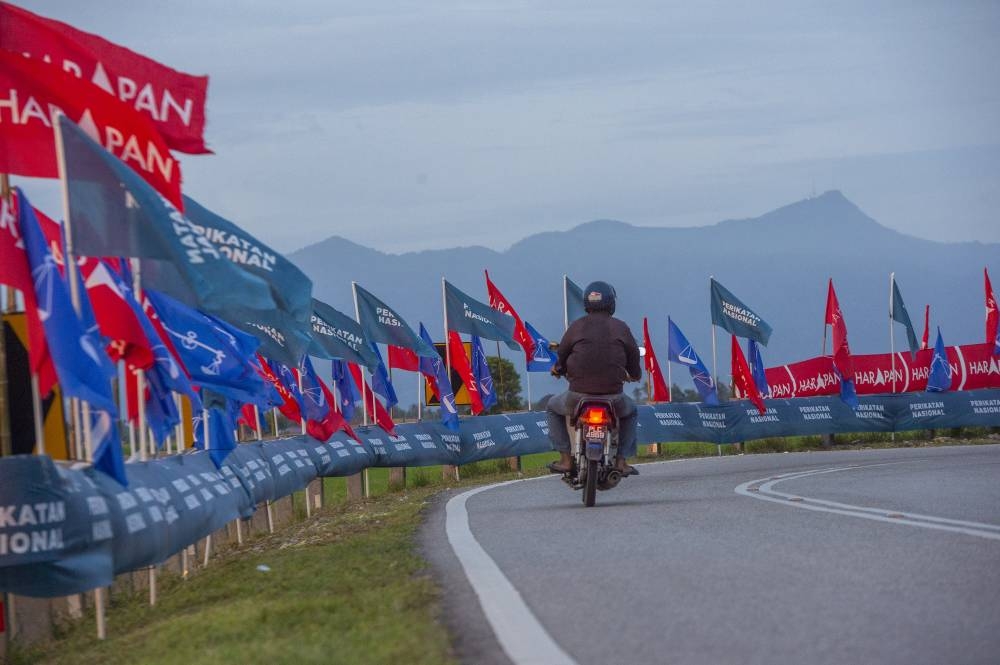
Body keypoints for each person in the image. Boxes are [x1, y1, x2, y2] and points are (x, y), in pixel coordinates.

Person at [546, 280, 641, 475]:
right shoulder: (621, 327)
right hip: (613, 397)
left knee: (552, 407)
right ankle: (621, 461)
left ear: (586, 303)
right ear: (611, 303)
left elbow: (562, 355)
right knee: (631, 411)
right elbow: (633, 358)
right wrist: (634, 375)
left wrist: (558, 369)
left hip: (577, 396)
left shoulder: (577, 326)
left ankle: (566, 459)